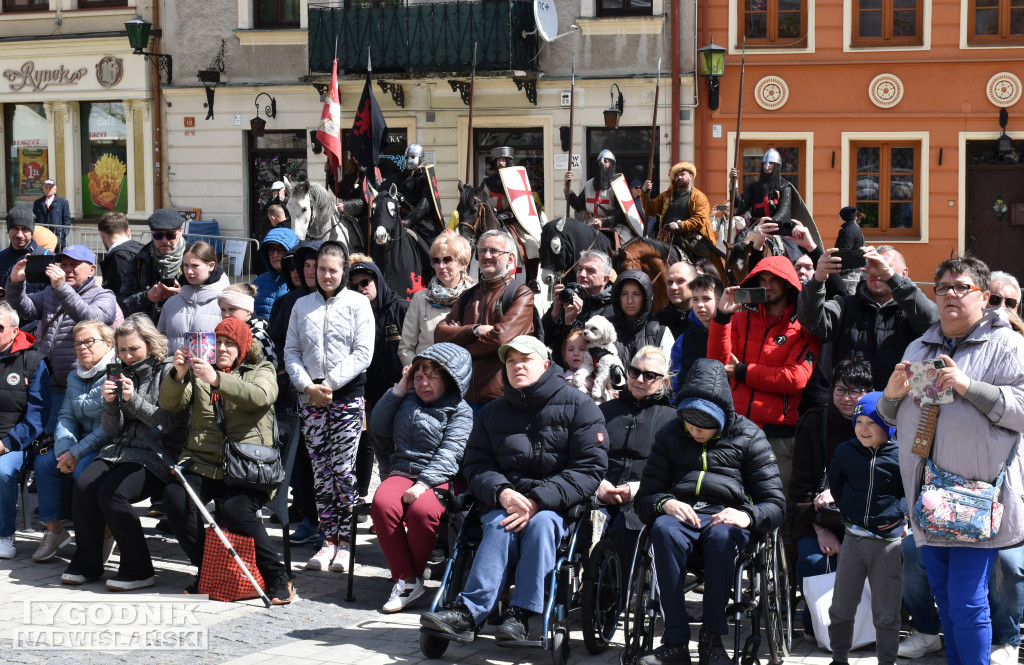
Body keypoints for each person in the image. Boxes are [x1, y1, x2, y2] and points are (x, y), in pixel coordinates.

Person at [878, 255, 1024, 665]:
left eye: (962, 287)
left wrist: (968, 386)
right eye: (943, 288)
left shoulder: (1008, 344)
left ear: (984, 297)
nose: (950, 295)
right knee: (944, 598)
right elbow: (893, 418)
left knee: (966, 600)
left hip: (978, 498)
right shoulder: (919, 344)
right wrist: (890, 395)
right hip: (928, 497)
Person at [419, 335, 607, 643]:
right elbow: (476, 464)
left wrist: (537, 500)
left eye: (525, 359)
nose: (517, 365)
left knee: (542, 525)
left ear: (546, 365)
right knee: (497, 523)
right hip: (504, 502)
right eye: (510, 361)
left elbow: (589, 468)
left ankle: (521, 613)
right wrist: (503, 493)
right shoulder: (492, 413)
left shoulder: (580, 407)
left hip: (557, 508)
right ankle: (469, 613)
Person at [635, 358, 785, 665]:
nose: (695, 431)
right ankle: (675, 641)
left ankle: (712, 639)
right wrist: (665, 503)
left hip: (728, 517)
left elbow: (776, 503)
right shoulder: (671, 434)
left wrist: (748, 515)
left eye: (704, 425)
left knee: (722, 534)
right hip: (682, 515)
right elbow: (646, 496)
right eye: (690, 422)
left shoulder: (749, 436)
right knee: (663, 529)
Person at [160, 317, 293, 604]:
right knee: (176, 498)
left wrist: (218, 380)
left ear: (243, 346)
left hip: (249, 465)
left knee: (237, 510)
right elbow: (170, 404)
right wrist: (178, 374)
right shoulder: (198, 372)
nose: (222, 348)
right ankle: (210, 570)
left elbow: (260, 396)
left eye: (229, 343)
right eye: (217, 341)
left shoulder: (261, 369)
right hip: (203, 461)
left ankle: (278, 577)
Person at [63, 314, 186, 588]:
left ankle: (138, 567)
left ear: (151, 345)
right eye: (122, 350)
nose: (128, 356)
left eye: (134, 349)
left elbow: (168, 424)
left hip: (157, 453)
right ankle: (88, 562)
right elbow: (113, 429)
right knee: (83, 486)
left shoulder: (167, 372)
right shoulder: (117, 370)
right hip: (120, 449)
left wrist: (133, 399)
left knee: (112, 493)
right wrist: (110, 403)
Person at [285, 241, 373, 572]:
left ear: (344, 271)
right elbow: (291, 351)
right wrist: (308, 386)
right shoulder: (301, 305)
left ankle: (347, 543)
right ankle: (328, 540)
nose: (326, 275)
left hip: (346, 395)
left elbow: (363, 353)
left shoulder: (358, 304)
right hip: (310, 396)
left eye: (333, 269)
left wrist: (330, 384)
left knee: (343, 470)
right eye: (321, 268)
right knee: (320, 471)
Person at [368, 343, 472, 613]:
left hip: (443, 477)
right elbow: (377, 425)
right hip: (404, 469)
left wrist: (423, 484)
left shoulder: (461, 410)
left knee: (423, 511)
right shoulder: (407, 398)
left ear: (448, 379)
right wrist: (399, 389)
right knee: (382, 503)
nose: (424, 383)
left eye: (432, 377)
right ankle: (409, 579)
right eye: (419, 377)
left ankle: (408, 581)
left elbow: (452, 453)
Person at [708, 255, 820, 498]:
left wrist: (742, 372)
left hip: (777, 435)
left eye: (775, 280)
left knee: (777, 505)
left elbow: (794, 379)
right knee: (730, 501)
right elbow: (718, 363)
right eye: (763, 279)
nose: (767, 285)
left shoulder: (804, 326)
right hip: (734, 427)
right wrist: (722, 317)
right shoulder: (738, 317)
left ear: (789, 284)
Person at [789, 359, 871, 634]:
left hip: (865, 518)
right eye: (840, 390)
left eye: (855, 391)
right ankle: (819, 627)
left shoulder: (881, 425)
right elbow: (800, 487)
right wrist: (821, 529)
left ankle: (864, 628)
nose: (846, 398)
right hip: (816, 517)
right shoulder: (814, 423)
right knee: (815, 560)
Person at [824, 391, 905, 665]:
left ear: (889, 426)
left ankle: (886, 660)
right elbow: (836, 482)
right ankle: (839, 657)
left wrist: (899, 514)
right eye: (859, 422)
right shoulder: (846, 451)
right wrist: (846, 509)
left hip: (888, 544)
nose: (864, 429)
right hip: (853, 540)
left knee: (887, 611)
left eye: (872, 423)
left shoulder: (901, 455)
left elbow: (910, 489)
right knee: (842, 607)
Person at [7, 244, 119, 432]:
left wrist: (61, 288)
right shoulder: (51, 292)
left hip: (81, 386)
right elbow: (24, 310)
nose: (67, 269)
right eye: (64, 264)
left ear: (92, 270)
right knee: (43, 439)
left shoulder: (104, 295)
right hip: (48, 383)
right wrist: (16, 283)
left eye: (74, 264)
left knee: (67, 439)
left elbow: (91, 319)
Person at [31, 320, 115, 562]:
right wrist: (65, 449)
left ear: (108, 344)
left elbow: (109, 427)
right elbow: (66, 416)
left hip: (109, 443)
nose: (82, 347)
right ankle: (55, 531)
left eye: (89, 341)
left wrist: (75, 453)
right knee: (45, 463)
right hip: (78, 443)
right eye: (77, 343)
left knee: (82, 471)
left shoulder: (115, 373)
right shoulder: (74, 375)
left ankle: (104, 530)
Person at [798, 245, 938, 391]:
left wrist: (891, 278)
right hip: (849, 404)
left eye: (883, 266)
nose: (877, 272)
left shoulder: (913, 308)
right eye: (871, 265)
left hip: (898, 405)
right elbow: (810, 320)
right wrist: (817, 281)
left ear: (904, 273)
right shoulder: (845, 305)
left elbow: (933, 321)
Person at [434, 230, 535, 407]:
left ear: (510, 258)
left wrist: (459, 344)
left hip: (502, 399)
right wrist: (475, 330)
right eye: (482, 251)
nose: (487, 256)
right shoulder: (467, 296)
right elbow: (439, 335)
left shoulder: (521, 294)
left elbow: (500, 339)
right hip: (462, 399)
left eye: (494, 251)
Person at [598, 346, 676, 568]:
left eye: (650, 375)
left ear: (664, 381)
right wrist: (599, 485)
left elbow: (676, 471)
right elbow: (586, 457)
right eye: (634, 372)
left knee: (625, 530)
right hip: (600, 494)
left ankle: (620, 595)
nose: (640, 379)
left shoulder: (673, 421)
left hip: (644, 499)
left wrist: (636, 489)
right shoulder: (603, 411)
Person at [349, 258, 409, 505]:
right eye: (355, 286)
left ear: (378, 280)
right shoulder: (353, 314)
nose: (361, 288)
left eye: (366, 282)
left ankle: (404, 507)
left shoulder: (401, 308)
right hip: (372, 399)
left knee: (405, 457)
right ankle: (388, 507)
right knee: (383, 457)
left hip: (403, 397)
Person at [0, 301, 50, 559]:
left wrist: (6, 443)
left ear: (15, 330)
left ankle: (4, 535)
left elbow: (37, 417)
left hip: (18, 442)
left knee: (2, 471)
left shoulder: (33, 362)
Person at [398, 231, 474, 366]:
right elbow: (406, 348)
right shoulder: (420, 298)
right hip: (427, 376)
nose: (441, 266)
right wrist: (419, 373)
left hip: (464, 374)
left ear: (463, 263)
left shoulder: (475, 296)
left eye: (447, 260)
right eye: (436, 261)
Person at [641, 162, 723, 276]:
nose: (679, 177)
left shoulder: (699, 197)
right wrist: (644, 192)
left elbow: (700, 219)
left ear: (691, 176)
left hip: (692, 240)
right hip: (667, 238)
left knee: (704, 269)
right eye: (676, 175)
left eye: (682, 174)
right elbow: (650, 210)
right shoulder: (666, 196)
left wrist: (680, 225)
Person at [542, 250, 615, 367]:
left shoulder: (612, 308)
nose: (581, 275)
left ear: (605, 279)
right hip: (557, 373)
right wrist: (554, 313)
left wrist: (571, 323)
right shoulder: (567, 297)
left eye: (590, 271)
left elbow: (590, 354)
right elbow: (540, 341)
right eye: (580, 269)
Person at [157, 241, 230, 352]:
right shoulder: (171, 303)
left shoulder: (226, 304)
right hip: (172, 367)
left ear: (211, 266)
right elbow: (159, 341)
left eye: (195, 266)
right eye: (186, 265)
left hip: (212, 369)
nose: (189, 271)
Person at [120, 208, 186, 321]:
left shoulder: (194, 259)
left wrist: (183, 294)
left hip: (182, 328)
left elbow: (208, 298)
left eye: (170, 235)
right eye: (158, 236)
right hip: (150, 331)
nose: (164, 241)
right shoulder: (138, 262)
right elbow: (122, 304)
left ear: (180, 231)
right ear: (152, 234)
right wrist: (147, 296)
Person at [608, 270, 674, 368]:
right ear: (618, 297)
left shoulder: (660, 332)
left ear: (646, 298)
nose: (629, 301)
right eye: (624, 294)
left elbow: (666, 374)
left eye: (636, 294)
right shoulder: (605, 327)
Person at [565, 149, 635, 240]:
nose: (602, 163)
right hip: (590, 223)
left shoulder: (617, 185)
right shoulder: (589, 184)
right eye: (600, 161)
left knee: (625, 246)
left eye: (606, 161)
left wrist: (604, 222)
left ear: (612, 164)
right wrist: (567, 186)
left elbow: (620, 212)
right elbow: (579, 205)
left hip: (612, 226)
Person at [670, 272, 723, 392]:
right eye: (695, 299)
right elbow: (675, 383)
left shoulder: (735, 334)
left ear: (720, 301)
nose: (699, 305)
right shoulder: (683, 341)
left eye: (706, 299)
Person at [218, 283, 276, 369]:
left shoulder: (258, 336)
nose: (226, 314)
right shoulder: (223, 333)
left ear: (248, 310)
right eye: (223, 309)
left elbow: (266, 369)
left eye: (232, 309)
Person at [251, 227, 298, 320]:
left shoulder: (299, 282)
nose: (275, 255)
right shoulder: (257, 283)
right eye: (271, 250)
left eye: (280, 250)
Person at [0, 206, 48, 295]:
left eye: (25, 229)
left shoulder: (46, 257)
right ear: (8, 230)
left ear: (32, 231)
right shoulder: (1, 257)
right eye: (15, 228)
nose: (19, 235)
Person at [97, 211, 143, 299]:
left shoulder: (118, 256)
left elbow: (122, 293)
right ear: (128, 231)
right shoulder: (142, 248)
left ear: (102, 234)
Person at [655, 260, 698, 338]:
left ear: (694, 283)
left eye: (680, 281)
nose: (673, 287)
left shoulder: (704, 317)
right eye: (669, 282)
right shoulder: (659, 318)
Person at [33, 178, 71, 249]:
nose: (48, 189)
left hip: (58, 238)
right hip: (42, 239)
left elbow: (67, 220)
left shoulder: (63, 202)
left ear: (55, 189)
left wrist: (63, 234)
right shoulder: (37, 203)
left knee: (57, 258)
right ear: (43, 189)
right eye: (46, 187)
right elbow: (34, 220)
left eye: (50, 187)